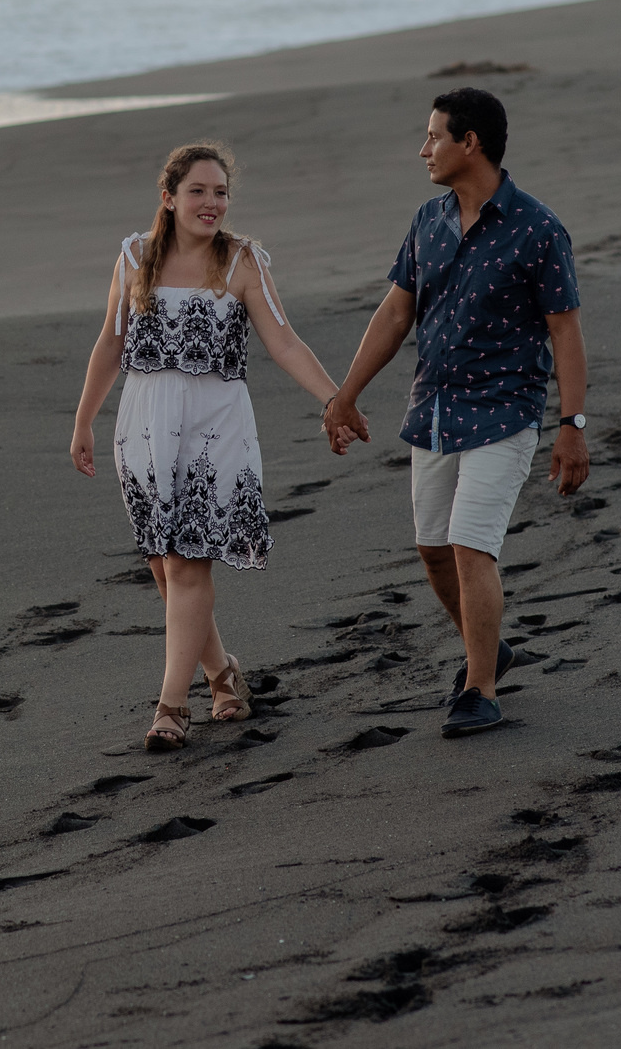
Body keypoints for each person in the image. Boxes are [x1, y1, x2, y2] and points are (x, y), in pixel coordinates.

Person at [321, 89, 590, 738]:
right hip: (434, 410)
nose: (424, 149)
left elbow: (565, 330)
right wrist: (345, 394)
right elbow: (394, 312)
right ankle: (486, 644)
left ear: (471, 142)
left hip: (505, 411)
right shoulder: (429, 220)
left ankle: (480, 688)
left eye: (434, 136)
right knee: (434, 549)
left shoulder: (537, 228)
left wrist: (571, 424)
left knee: (472, 545)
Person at [71, 141, 347, 752]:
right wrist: (84, 421)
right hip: (143, 425)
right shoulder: (134, 258)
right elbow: (109, 346)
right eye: (198, 191)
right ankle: (223, 676)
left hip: (215, 425)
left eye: (220, 192)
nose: (212, 202)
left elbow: (285, 343)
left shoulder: (242, 260)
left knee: (189, 564)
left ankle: (171, 708)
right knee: (166, 569)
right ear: (168, 199)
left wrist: (335, 400)